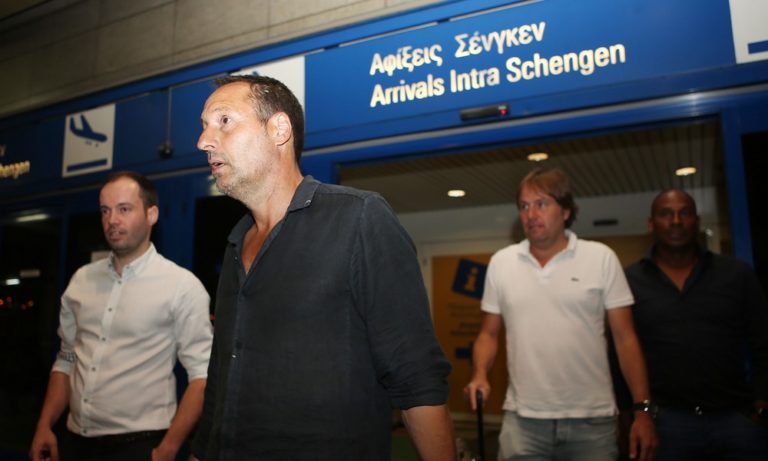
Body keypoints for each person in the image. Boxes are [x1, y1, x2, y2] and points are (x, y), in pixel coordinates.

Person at [192, 75, 455, 461]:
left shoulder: (359, 219)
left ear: (279, 130)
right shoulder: (235, 244)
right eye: (204, 127)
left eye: (224, 121)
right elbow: (220, 380)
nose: (203, 141)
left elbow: (416, 377)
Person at [464, 167, 658, 461]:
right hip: (522, 423)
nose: (530, 214)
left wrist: (642, 411)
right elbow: (488, 334)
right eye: (524, 206)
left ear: (566, 211)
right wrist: (479, 374)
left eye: (541, 204)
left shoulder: (601, 258)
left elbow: (626, 339)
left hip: (592, 423)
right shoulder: (502, 263)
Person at [29, 171, 213, 461]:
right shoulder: (81, 281)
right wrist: (44, 426)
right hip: (74, 443)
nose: (112, 220)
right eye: (105, 210)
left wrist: (168, 449)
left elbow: (202, 376)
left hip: (140, 446)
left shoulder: (182, 287)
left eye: (124, 209)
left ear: (151, 214)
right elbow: (66, 359)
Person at [624, 188, 768, 460]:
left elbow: (763, 341)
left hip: (736, 421)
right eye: (666, 214)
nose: (676, 221)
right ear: (651, 223)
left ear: (697, 221)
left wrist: (762, 404)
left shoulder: (736, 274)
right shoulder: (629, 281)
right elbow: (620, 351)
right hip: (664, 425)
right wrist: (634, 414)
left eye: (685, 213)